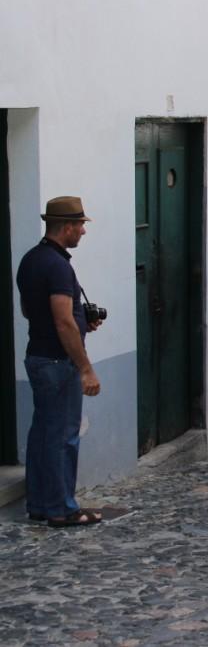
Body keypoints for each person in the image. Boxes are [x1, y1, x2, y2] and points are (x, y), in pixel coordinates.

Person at [16, 196, 104, 527]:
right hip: (57, 361)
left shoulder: (31, 260)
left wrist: (84, 320)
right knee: (62, 436)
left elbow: (30, 309)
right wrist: (85, 368)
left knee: (43, 433)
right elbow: (63, 321)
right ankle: (61, 508)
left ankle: (40, 504)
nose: (83, 231)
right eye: (80, 225)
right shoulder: (58, 266)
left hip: (37, 355)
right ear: (66, 227)